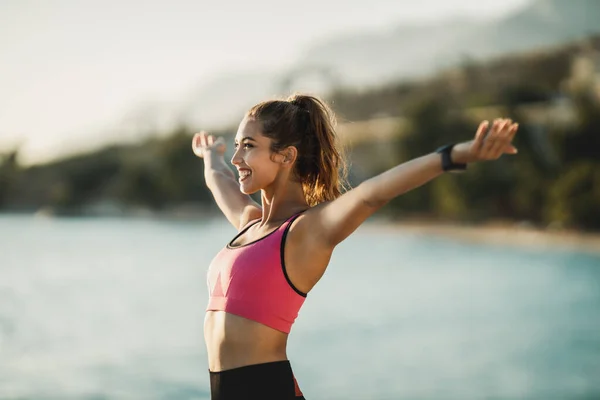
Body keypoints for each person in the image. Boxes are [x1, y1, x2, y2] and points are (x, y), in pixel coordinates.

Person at [192, 93, 519, 400]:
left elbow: (372, 193)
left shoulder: (307, 231)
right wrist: (210, 155)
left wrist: (452, 156)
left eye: (247, 146)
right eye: (236, 146)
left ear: (286, 155)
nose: (236, 158)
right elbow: (218, 178)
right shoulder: (250, 223)